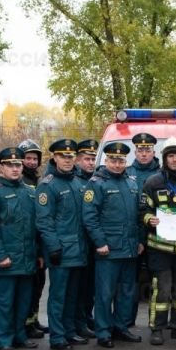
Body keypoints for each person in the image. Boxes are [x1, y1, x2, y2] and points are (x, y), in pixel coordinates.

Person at [0, 146, 40, 350]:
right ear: (1, 167)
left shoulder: (30, 192)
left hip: (27, 258)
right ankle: (3, 339)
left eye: (18, 164)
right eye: (10, 165)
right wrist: (0, 255)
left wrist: (39, 254)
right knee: (5, 303)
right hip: (7, 260)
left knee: (23, 301)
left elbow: (37, 226)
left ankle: (20, 336)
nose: (15, 169)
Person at [82, 142, 144, 347]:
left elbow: (138, 216)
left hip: (129, 248)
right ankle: (103, 332)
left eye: (121, 161)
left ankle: (121, 327)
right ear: (106, 160)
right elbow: (90, 217)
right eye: (113, 160)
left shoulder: (131, 183)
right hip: (107, 249)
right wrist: (99, 243)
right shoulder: (97, 183)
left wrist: (140, 241)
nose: (117, 164)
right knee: (104, 293)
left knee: (126, 291)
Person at [141, 137, 176, 345]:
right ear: (164, 159)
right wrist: (150, 219)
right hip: (160, 247)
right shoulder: (152, 182)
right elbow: (143, 210)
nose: (174, 160)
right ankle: (157, 328)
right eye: (170, 156)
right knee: (162, 288)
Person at [37, 139, 89, 350]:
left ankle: (69, 331)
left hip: (78, 249)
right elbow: (43, 220)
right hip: (61, 251)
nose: (67, 160)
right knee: (58, 296)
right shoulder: (47, 185)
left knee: (72, 295)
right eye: (63, 156)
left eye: (70, 157)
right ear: (55, 158)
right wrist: (53, 247)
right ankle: (57, 337)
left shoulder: (77, 183)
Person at [127, 132, 161, 327]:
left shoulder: (161, 173)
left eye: (147, 150)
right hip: (133, 236)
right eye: (140, 150)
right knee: (131, 283)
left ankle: (156, 321)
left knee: (158, 281)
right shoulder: (127, 172)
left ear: (153, 151)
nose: (144, 153)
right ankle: (127, 322)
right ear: (135, 151)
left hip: (157, 235)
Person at [18, 139, 48, 338]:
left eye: (34, 158)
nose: (31, 162)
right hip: (25, 244)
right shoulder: (21, 182)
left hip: (39, 242)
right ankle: (25, 324)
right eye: (27, 158)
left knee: (38, 286)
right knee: (26, 289)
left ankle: (33, 320)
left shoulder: (39, 181)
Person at [74, 139, 98, 338]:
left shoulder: (97, 180)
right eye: (87, 159)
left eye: (93, 159)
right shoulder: (75, 180)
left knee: (90, 286)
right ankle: (78, 322)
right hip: (78, 243)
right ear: (78, 160)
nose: (91, 163)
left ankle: (87, 318)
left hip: (93, 244)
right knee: (78, 288)